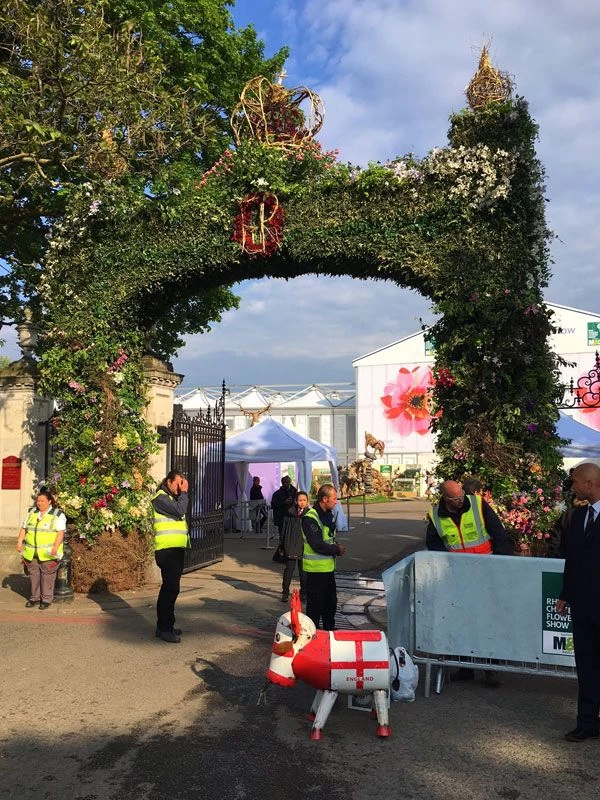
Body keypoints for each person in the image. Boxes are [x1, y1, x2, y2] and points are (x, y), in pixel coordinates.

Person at [426, 479, 513, 687]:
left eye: (461, 494)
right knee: (461, 621)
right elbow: (433, 543)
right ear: (446, 498)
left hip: (485, 572)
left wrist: (502, 564)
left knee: (487, 620)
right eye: (455, 498)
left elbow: (499, 533)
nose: (460, 500)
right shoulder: (436, 515)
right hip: (458, 576)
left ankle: (492, 669)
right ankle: (465, 667)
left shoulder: (477, 504)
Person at [556, 462, 600, 742]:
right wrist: (565, 595)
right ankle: (586, 722)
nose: (572, 487)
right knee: (585, 665)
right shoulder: (577, 517)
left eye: (575, 482)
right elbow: (572, 561)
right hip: (582, 607)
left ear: (590, 484)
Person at [151, 470, 190, 643]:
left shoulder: (172, 498)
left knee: (170, 588)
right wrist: (185, 493)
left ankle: (165, 625)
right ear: (168, 482)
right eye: (178, 483)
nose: (180, 487)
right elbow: (180, 510)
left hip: (175, 549)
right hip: (167, 551)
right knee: (170, 589)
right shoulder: (160, 498)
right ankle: (165, 629)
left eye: (182, 483)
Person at [301, 483, 346, 631]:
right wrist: (336, 549)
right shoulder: (310, 518)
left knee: (330, 603)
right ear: (325, 499)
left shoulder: (328, 514)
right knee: (315, 607)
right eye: (334, 498)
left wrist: (336, 544)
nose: (336, 501)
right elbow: (317, 545)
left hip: (327, 569)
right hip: (315, 571)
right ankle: (313, 634)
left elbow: (328, 537)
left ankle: (329, 631)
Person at [16, 487, 66, 609]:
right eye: (38, 501)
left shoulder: (57, 515)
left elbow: (60, 533)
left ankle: (46, 600)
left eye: (43, 501)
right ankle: (34, 598)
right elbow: (24, 528)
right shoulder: (31, 513)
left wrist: (55, 547)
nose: (39, 503)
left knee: (47, 577)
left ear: (49, 501)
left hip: (48, 553)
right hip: (32, 552)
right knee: (34, 576)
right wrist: (19, 541)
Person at [280, 491, 309, 603]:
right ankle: (285, 592)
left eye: (304, 500)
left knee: (304, 572)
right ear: (296, 501)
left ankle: (304, 593)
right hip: (291, 545)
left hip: (304, 547)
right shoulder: (290, 513)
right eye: (300, 500)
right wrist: (282, 545)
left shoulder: (310, 514)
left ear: (307, 501)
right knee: (289, 570)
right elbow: (284, 531)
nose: (302, 503)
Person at [271, 475, 297, 542]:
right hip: (281, 517)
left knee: (291, 534)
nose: (288, 484)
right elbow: (273, 505)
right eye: (287, 482)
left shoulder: (293, 491)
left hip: (292, 516)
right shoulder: (277, 494)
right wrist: (284, 502)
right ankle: (282, 546)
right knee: (282, 535)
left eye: (289, 482)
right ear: (282, 483)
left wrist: (294, 502)